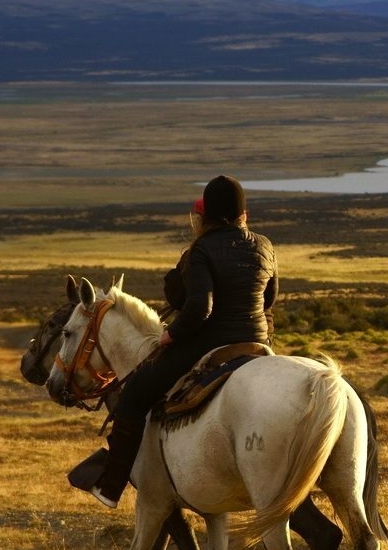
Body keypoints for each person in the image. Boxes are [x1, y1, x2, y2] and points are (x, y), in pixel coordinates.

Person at [69, 174, 279, 508]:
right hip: (257, 340)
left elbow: (200, 308)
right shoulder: (264, 245)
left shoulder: (202, 249)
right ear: (242, 211)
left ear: (207, 213)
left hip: (209, 342)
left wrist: (171, 334)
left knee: (134, 396)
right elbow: (269, 301)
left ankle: (110, 485)